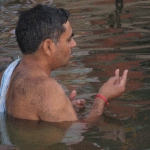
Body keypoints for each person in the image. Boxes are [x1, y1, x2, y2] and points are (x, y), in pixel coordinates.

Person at [0, 4, 128, 123]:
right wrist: (101, 98)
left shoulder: (7, 73)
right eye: (68, 39)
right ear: (48, 47)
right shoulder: (47, 90)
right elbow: (80, 131)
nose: (74, 44)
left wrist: (62, 108)